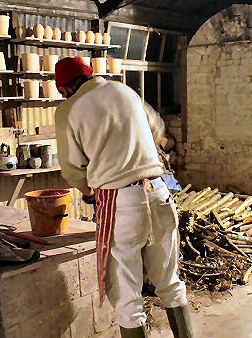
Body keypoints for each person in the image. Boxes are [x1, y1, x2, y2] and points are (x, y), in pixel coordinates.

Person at [54, 56, 193, 338]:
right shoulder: (125, 91)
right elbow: (156, 129)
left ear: (65, 88)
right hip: (159, 191)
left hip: (121, 202)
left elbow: (71, 168)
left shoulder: (69, 109)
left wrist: (87, 188)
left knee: (127, 296)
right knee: (169, 282)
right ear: (90, 75)